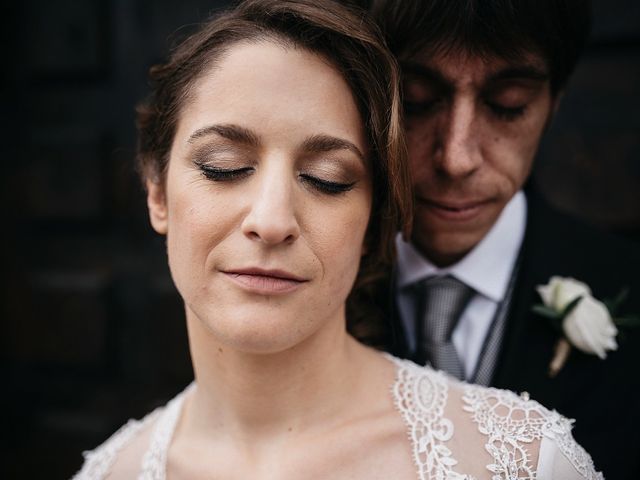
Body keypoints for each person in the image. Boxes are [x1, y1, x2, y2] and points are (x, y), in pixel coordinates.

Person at [73, 1, 601, 478]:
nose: (272, 219)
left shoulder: (524, 462)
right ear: (157, 192)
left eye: (328, 178)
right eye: (224, 167)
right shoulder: (111, 472)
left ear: (374, 222)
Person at [365, 0, 640, 478]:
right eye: (415, 100)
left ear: (554, 104)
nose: (457, 158)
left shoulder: (629, 282)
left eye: (507, 105)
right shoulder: (314, 287)